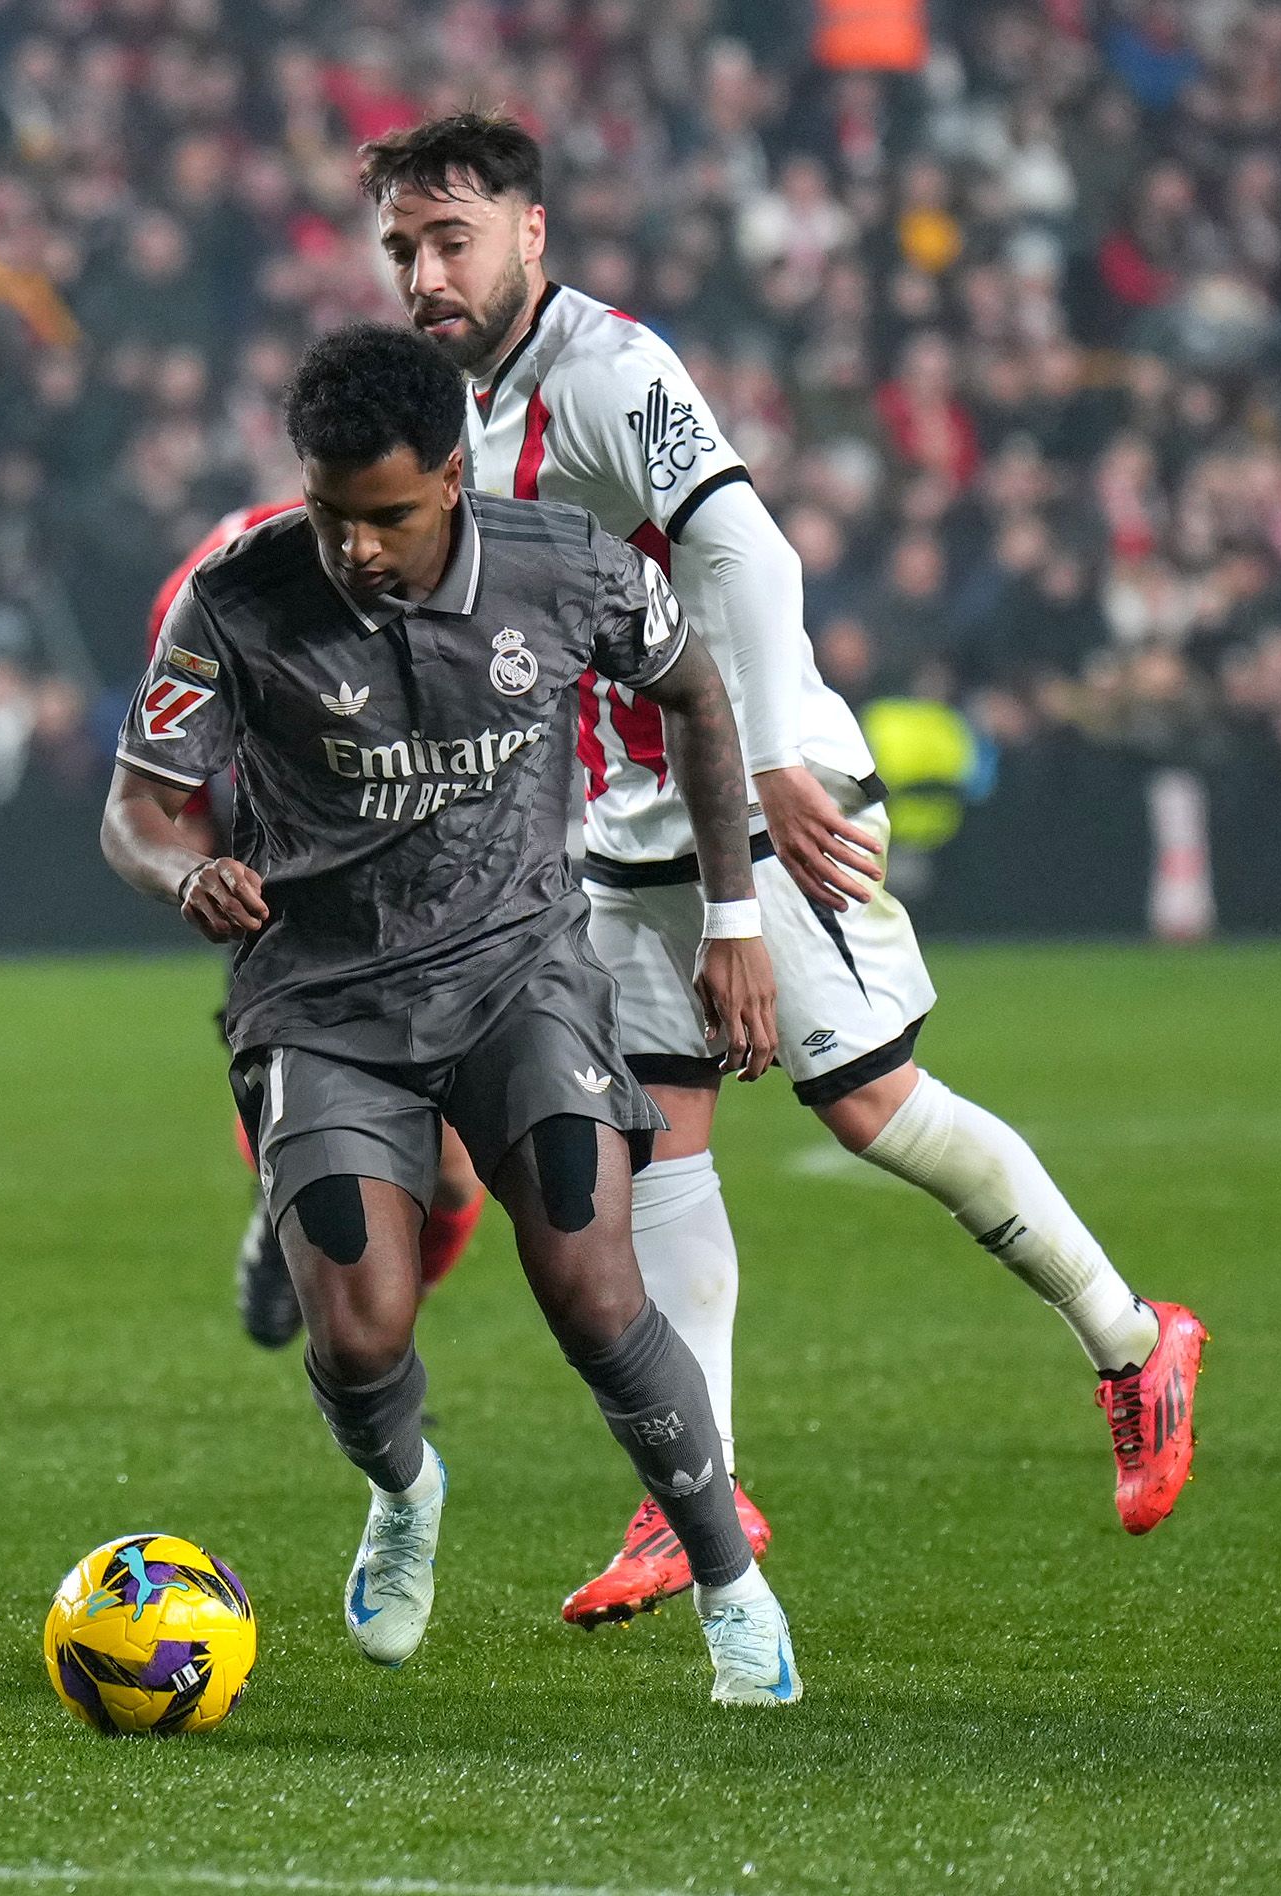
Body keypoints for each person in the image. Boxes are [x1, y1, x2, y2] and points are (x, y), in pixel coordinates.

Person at [363, 113, 1209, 1626]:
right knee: (655, 1150)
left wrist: (764, 781)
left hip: (765, 792)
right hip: (623, 829)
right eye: (404, 249)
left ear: (532, 233)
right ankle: (700, 1493)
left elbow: (751, 552)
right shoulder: (456, 410)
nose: (426, 272)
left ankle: (1136, 1342)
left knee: (872, 1105)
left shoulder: (610, 371)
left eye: (452, 239)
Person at [101, 322, 800, 1705]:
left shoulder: (566, 566)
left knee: (599, 1295)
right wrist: (187, 873)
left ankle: (732, 1585)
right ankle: (406, 1489)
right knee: (359, 1335)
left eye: (388, 515)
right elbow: (133, 804)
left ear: (451, 481)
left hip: (518, 976)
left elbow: (697, 696)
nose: (355, 546)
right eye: (329, 512)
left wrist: (733, 919)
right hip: (322, 1001)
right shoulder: (236, 599)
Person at [148, 499, 490, 1348]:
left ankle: (379, 1339)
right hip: (295, 905)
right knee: (309, 1127)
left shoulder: (480, 562)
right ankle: (297, 1228)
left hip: (440, 897)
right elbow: (170, 779)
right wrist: (209, 880)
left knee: (449, 1177)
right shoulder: (212, 585)